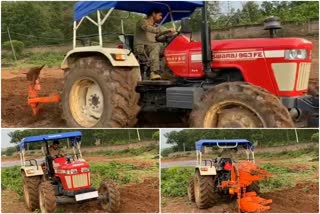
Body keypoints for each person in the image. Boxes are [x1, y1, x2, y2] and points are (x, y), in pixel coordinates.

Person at [135, 8, 175, 80]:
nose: (161, 18)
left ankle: (167, 72)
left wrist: (168, 37)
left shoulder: (155, 26)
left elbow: (157, 38)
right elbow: (150, 29)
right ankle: (154, 72)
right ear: (153, 14)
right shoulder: (142, 22)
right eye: (160, 15)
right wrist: (166, 30)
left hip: (151, 47)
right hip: (141, 48)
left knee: (169, 49)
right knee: (155, 46)